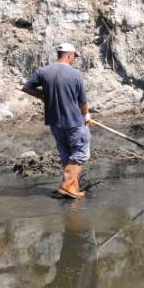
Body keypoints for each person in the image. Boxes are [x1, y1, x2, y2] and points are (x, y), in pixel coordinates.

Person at [23, 43, 91, 199]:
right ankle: (67, 186)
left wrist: (43, 96)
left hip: (55, 122)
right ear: (68, 55)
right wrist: (86, 115)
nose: (74, 59)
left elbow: (26, 88)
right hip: (74, 122)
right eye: (74, 56)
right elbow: (82, 102)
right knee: (80, 153)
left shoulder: (43, 71)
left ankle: (73, 188)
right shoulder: (75, 74)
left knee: (67, 155)